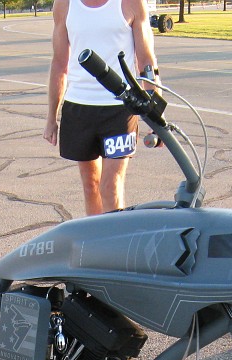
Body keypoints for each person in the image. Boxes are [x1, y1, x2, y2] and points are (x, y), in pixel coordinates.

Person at [44, 0, 158, 216]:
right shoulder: (65, 4)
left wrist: (155, 114)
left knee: (110, 186)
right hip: (79, 108)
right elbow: (59, 64)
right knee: (91, 186)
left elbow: (146, 61)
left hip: (120, 109)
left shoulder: (131, 3)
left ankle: (115, 246)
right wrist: (52, 117)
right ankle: (95, 245)